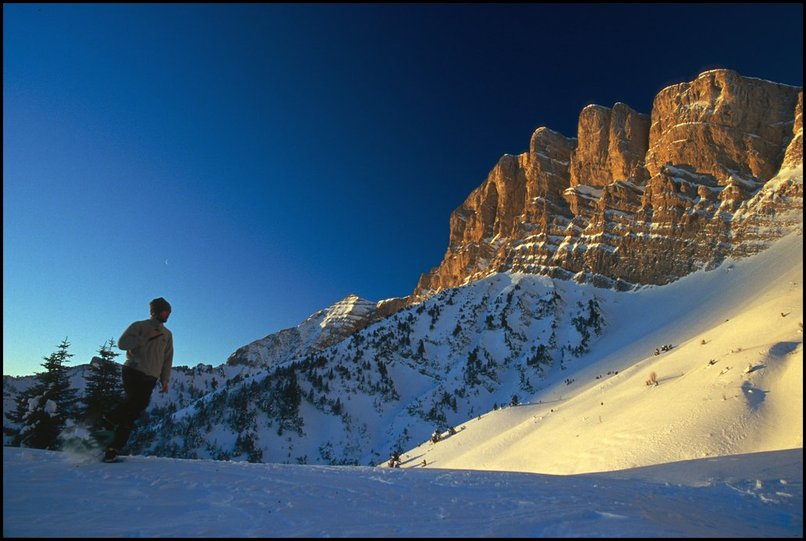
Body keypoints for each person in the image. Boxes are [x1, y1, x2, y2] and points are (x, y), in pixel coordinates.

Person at [101, 297, 173, 462]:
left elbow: (167, 358)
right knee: (133, 403)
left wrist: (165, 379)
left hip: (151, 376)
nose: (167, 315)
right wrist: (145, 337)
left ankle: (112, 447)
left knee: (134, 411)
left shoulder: (167, 335)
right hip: (133, 370)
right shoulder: (139, 326)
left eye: (168, 312)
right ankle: (108, 420)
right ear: (155, 311)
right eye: (165, 311)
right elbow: (122, 344)